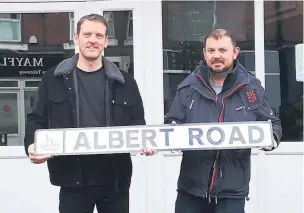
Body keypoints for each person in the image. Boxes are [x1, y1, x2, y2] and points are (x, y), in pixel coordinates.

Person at [24, 13, 153, 213]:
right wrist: (32, 145)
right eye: (87, 35)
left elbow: (138, 123)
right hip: (72, 178)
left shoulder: (125, 82)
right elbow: (37, 118)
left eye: (99, 36)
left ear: (106, 41)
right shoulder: (53, 79)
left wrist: (146, 142)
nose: (93, 40)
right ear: (76, 38)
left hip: (114, 179)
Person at [165, 29, 282, 213]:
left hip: (232, 194)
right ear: (204, 54)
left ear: (235, 53)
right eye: (211, 51)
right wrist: (161, 141)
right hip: (191, 192)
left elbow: (273, 124)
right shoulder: (188, 88)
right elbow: (171, 125)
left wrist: (270, 138)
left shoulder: (250, 89)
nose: (216, 56)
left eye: (222, 50)